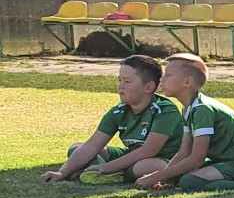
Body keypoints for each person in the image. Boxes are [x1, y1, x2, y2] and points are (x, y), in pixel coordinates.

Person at [135, 53, 234, 192]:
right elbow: (184, 152)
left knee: (190, 182)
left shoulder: (202, 109)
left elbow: (197, 159)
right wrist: (161, 178)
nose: (161, 79)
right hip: (225, 160)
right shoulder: (188, 108)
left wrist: (154, 177)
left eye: (168, 75)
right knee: (178, 174)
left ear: (187, 82)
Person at [42, 55, 182, 184]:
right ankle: (97, 171)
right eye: (120, 80)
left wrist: (107, 167)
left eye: (127, 81)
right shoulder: (118, 111)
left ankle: (112, 173)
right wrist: (61, 173)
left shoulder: (164, 110)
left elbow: (148, 151)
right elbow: (92, 145)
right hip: (131, 155)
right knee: (77, 148)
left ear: (149, 87)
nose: (121, 86)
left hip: (163, 159)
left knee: (144, 167)